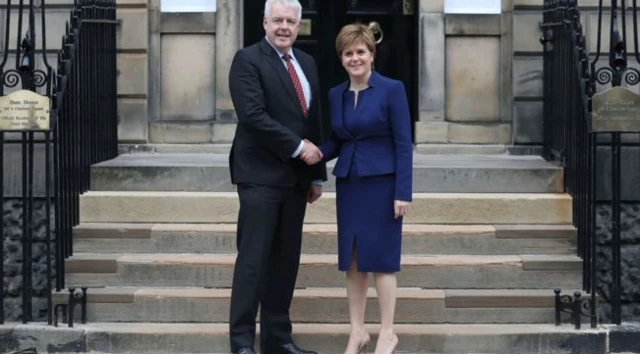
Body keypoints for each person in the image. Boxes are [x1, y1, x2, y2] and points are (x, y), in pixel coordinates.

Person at [301, 24, 413, 354]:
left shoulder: (392, 90)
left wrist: (403, 192)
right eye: (348, 53)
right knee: (352, 260)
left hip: (383, 184)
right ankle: (358, 331)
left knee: (381, 260)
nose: (355, 58)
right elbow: (338, 139)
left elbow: (403, 144)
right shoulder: (337, 94)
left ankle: (388, 333)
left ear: (372, 54)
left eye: (361, 52)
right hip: (349, 183)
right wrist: (319, 152)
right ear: (341, 58)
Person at [227, 0, 326, 353]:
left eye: (290, 21)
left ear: (298, 26)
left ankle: (277, 339)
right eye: (277, 20)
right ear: (264, 23)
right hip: (259, 176)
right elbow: (253, 115)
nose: (284, 27)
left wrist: (316, 175)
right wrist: (300, 148)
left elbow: (312, 120)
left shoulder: (308, 63)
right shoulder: (248, 60)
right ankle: (241, 342)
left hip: (295, 180)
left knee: (285, 263)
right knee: (254, 262)